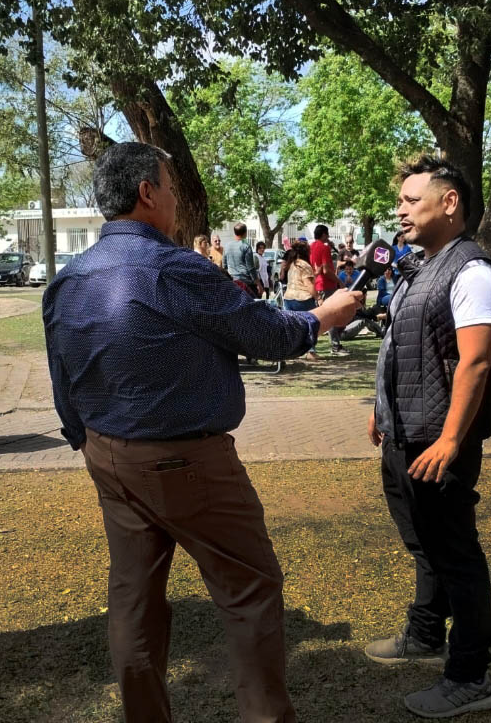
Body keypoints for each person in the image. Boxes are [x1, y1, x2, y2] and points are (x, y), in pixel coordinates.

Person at [42, 142, 362, 723]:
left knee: (134, 599)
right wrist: (326, 315)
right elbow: (269, 335)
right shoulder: (176, 268)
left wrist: (82, 439)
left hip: (108, 456)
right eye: (170, 186)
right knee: (249, 590)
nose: (176, 199)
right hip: (186, 460)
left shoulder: (69, 279)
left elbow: (61, 373)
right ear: (147, 193)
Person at [365, 155, 491, 719]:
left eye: (411, 200)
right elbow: (404, 347)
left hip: (438, 441)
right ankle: (425, 633)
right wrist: (381, 409)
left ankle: (470, 676)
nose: (400, 210)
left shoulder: (473, 272)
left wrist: (449, 441)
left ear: (449, 203)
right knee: (423, 544)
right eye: (399, 201)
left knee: (455, 554)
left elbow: (476, 363)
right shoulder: (422, 267)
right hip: (403, 432)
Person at [311, 224, 347, 355]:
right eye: (327, 234)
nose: (329, 237)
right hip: (327, 285)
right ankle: (335, 346)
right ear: (324, 234)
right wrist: (339, 281)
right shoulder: (324, 248)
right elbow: (326, 271)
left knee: (318, 316)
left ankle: (311, 347)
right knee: (332, 315)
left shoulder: (311, 247)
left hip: (316, 285)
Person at [282, 241, 320, 360]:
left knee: (293, 326)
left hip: (288, 298)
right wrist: (318, 298)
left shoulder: (292, 264)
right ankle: (311, 351)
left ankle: (292, 352)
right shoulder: (304, 265)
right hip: (303, 299)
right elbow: (308, 284)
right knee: (311, 324)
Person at [223, 222, 262, 298]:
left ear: (234, 233)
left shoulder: (227, 246)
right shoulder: (246, 246)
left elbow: (224, 265)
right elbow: (250, 267)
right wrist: (258, 283)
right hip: (245, 282)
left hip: (232, 281)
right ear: (245, 233)